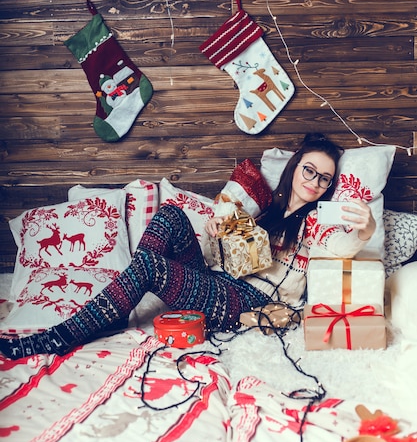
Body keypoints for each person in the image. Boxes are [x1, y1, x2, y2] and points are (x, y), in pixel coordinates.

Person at [0, 133, 375, 360]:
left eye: (325, 179)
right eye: (309, 170)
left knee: (148, 266)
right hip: (216, 281)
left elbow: (340, 247)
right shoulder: (267, 213)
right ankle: (114, 312)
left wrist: (365, 229)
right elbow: (223, 259)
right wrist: (216, 231)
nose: (315, 182)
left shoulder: (315, 223)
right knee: (171, 215)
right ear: (295, 168)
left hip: (244, 301)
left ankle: (61, 336)